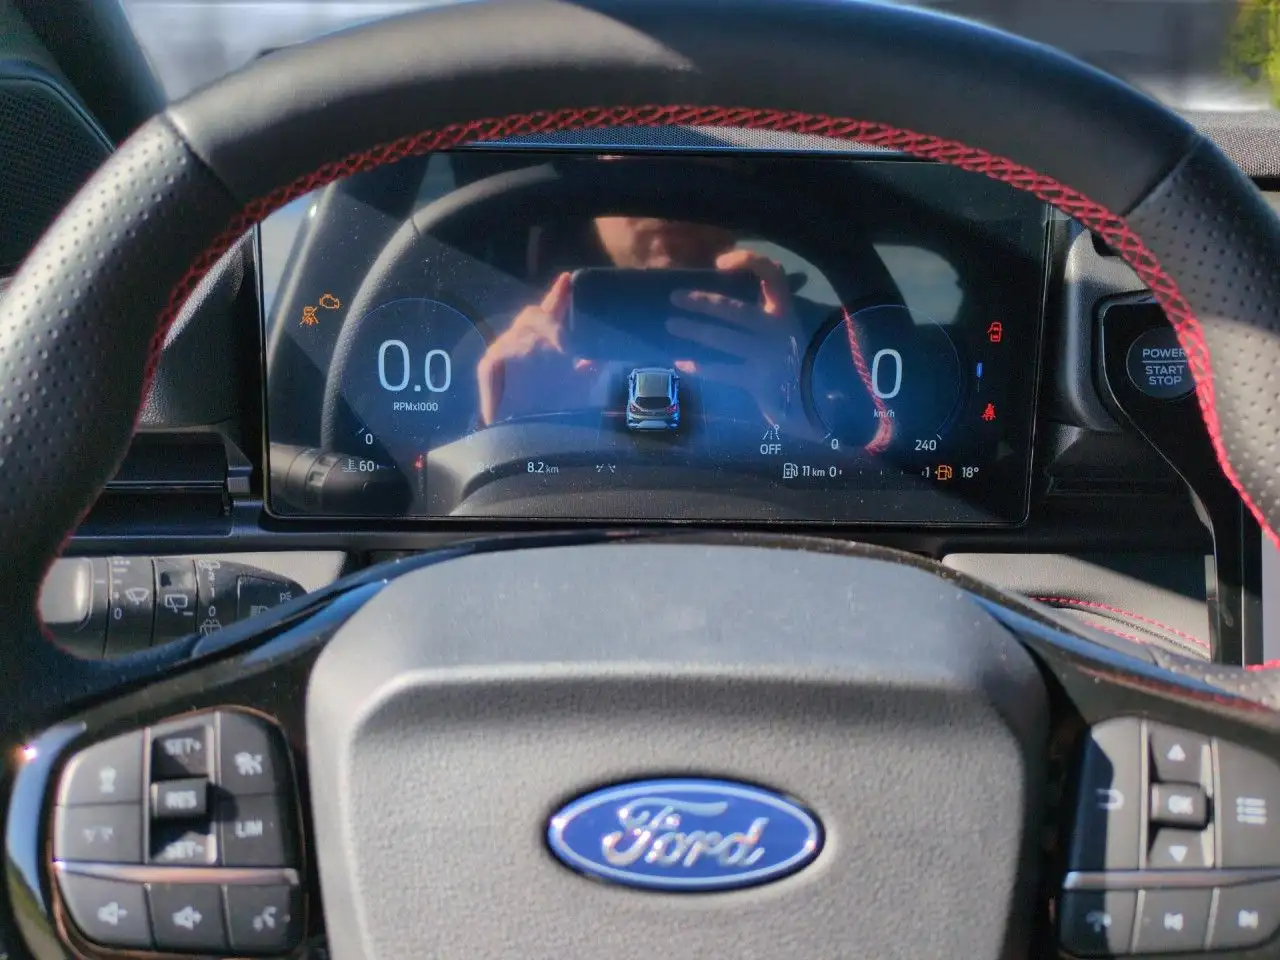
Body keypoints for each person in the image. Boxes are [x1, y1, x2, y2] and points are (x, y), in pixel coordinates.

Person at [476, 216, 804, 429]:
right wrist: (512, 428)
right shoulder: (510, 356)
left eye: (695, 152)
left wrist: (800, 402)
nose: (665, 175)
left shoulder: (821, 338)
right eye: (630, 154)